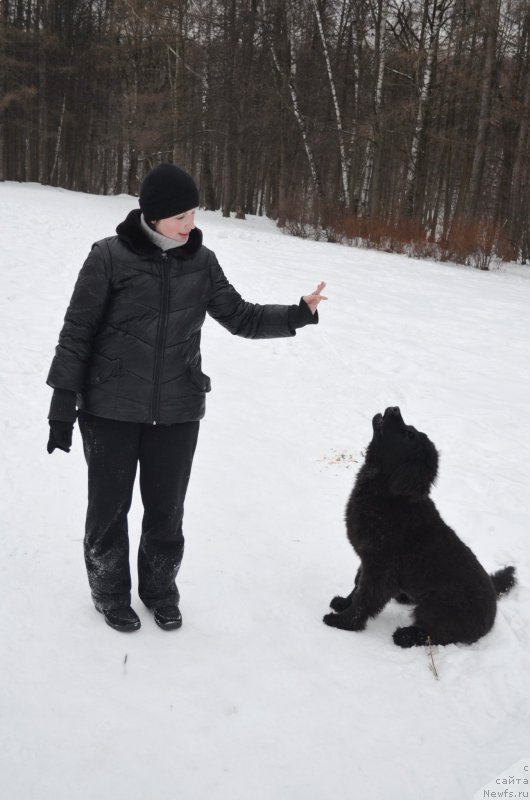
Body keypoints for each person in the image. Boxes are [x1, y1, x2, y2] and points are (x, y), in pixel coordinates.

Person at [46, 163, 327, 634]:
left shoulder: (202, 262)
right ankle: (109, 593)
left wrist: (297, 314)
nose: (190, 225)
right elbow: (77, 334)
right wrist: (61, 407)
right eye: (181, 217)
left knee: (166, 512)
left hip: (178, 409)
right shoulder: (108, 258)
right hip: (110, 409)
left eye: (193, 214)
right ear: (152, 216)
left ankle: (159, 591)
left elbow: (240, 316)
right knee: (109, 510)